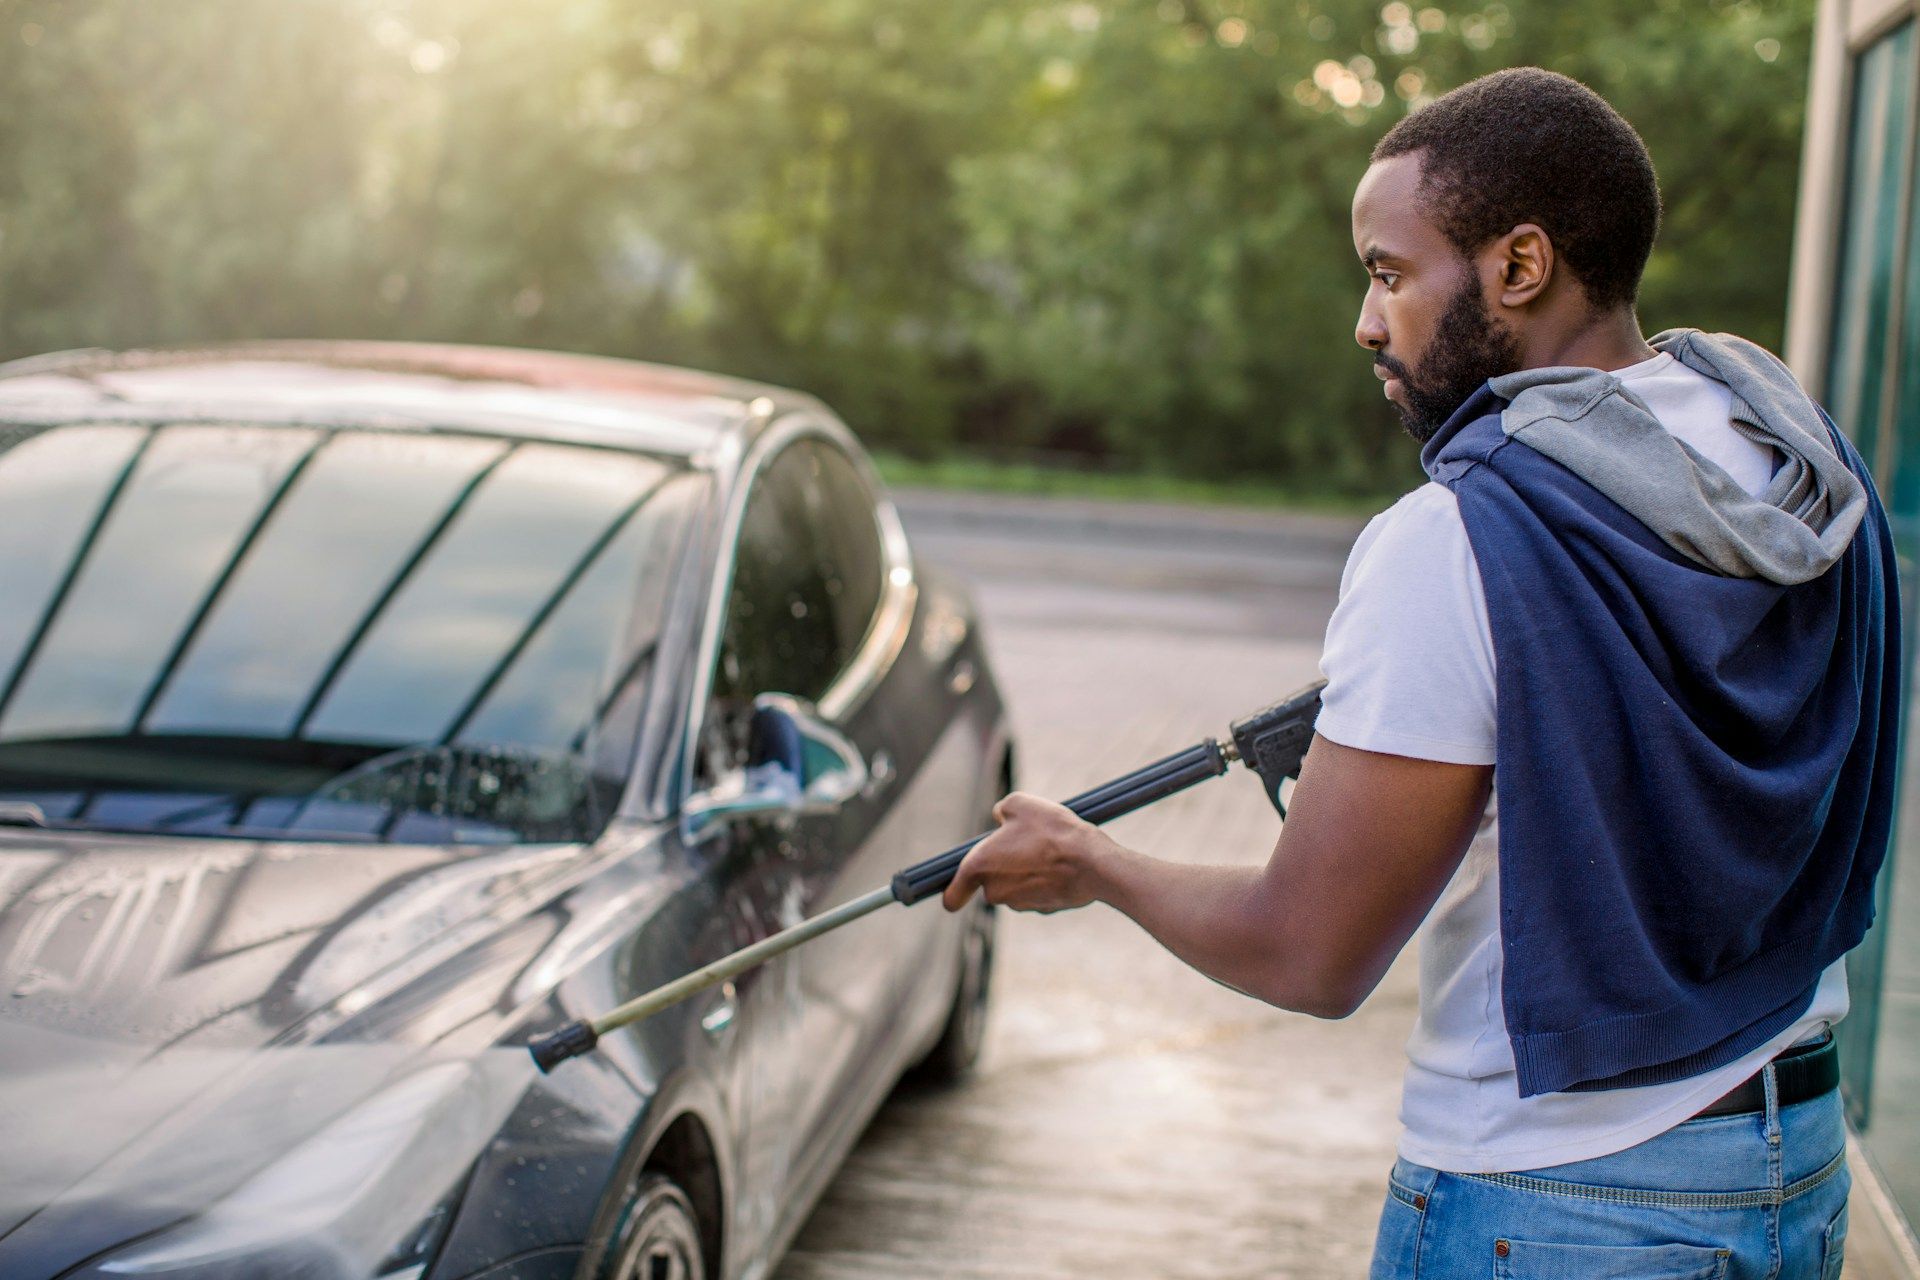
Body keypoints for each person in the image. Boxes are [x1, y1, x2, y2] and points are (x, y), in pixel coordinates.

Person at [941, 67, 1897, 1278]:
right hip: (1795, 1163)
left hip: (1559, 1205)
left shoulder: (1455, 541)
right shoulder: (1799, 457)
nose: (1365, 318)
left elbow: (1311, 951)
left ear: (1520, 266)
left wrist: (1093, 862)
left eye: (1390, 272)